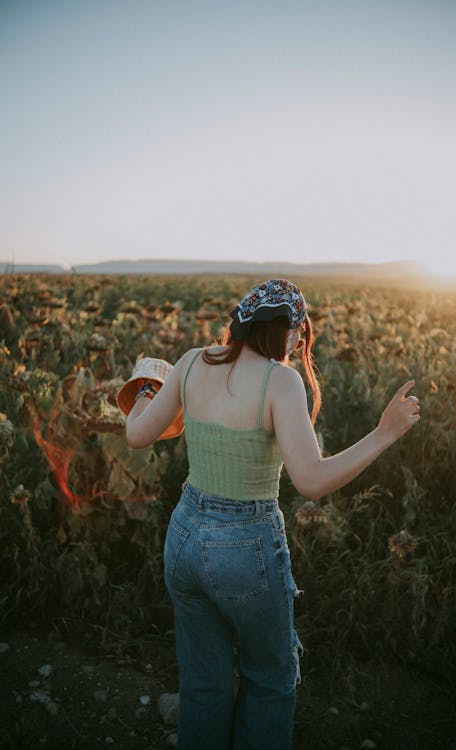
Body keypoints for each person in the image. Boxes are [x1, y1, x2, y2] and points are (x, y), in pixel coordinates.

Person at [125, 279, 420, 750]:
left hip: (184, 535)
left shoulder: (189, 362)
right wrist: (384, 433)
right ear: (286, 330)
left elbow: (137, 435)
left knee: (203, 683)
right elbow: (312, 481)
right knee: (269, 679)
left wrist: (144, 387)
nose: (299, 344)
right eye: (300, 334)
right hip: (246, 546)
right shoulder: (280, 380)